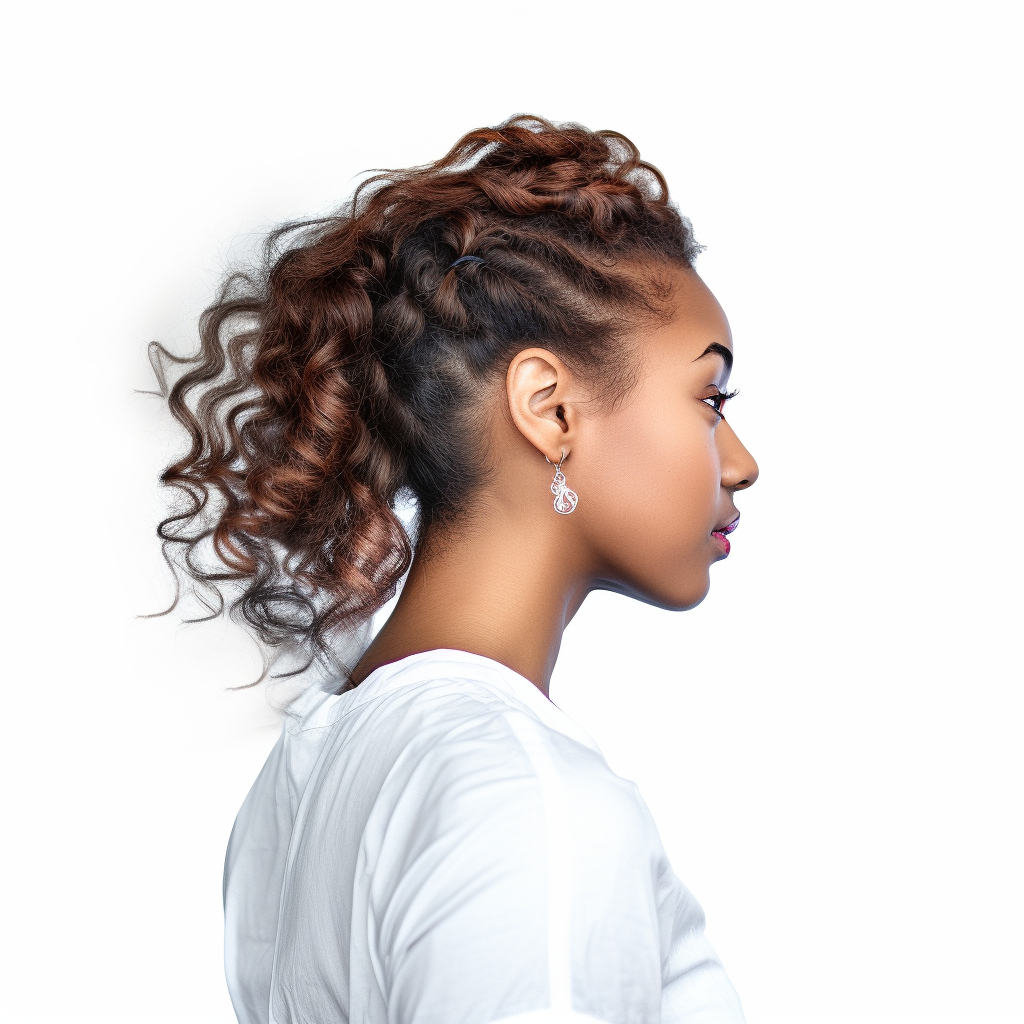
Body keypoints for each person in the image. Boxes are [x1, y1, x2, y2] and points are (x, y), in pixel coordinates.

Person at [152, 114, 758, 1024]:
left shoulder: (308, 772)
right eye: (709, 399)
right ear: (550, 411)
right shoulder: (527, 798)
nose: (741, 460)